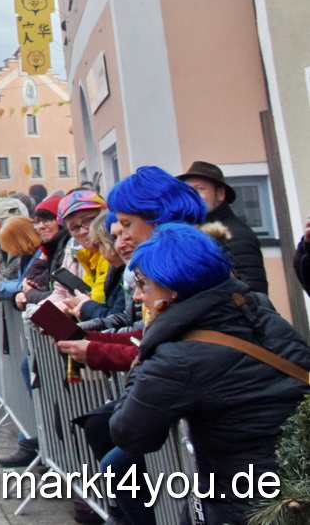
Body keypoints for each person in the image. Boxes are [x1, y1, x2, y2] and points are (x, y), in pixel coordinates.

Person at [111, 224, 310, 524]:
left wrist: (148, 348)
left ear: (171, 290)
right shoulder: (256, 308)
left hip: (247, 502)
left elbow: (130, 433)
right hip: (296, 484)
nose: (138, 296)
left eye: (143, 283)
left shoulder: (176, 358)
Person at [178, 161, 268, 295]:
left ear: (220, 194)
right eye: (188, 190)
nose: (192, 196)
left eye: (199, 189)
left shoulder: (236, 235)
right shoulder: (191, 231)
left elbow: (252, 293)